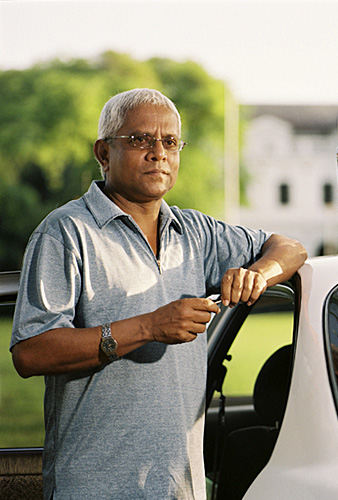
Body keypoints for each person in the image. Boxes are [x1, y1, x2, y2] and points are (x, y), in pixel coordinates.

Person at [10, 88, 307, 500]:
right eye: (139, 140)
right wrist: (149, 326)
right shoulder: (66, 232)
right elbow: (30, 352)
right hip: (94, 490)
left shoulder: (195, 233)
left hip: (178, 490)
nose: (158, 152)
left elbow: (291, 248)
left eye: (170, 142)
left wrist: (258, 274)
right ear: (103, 152)